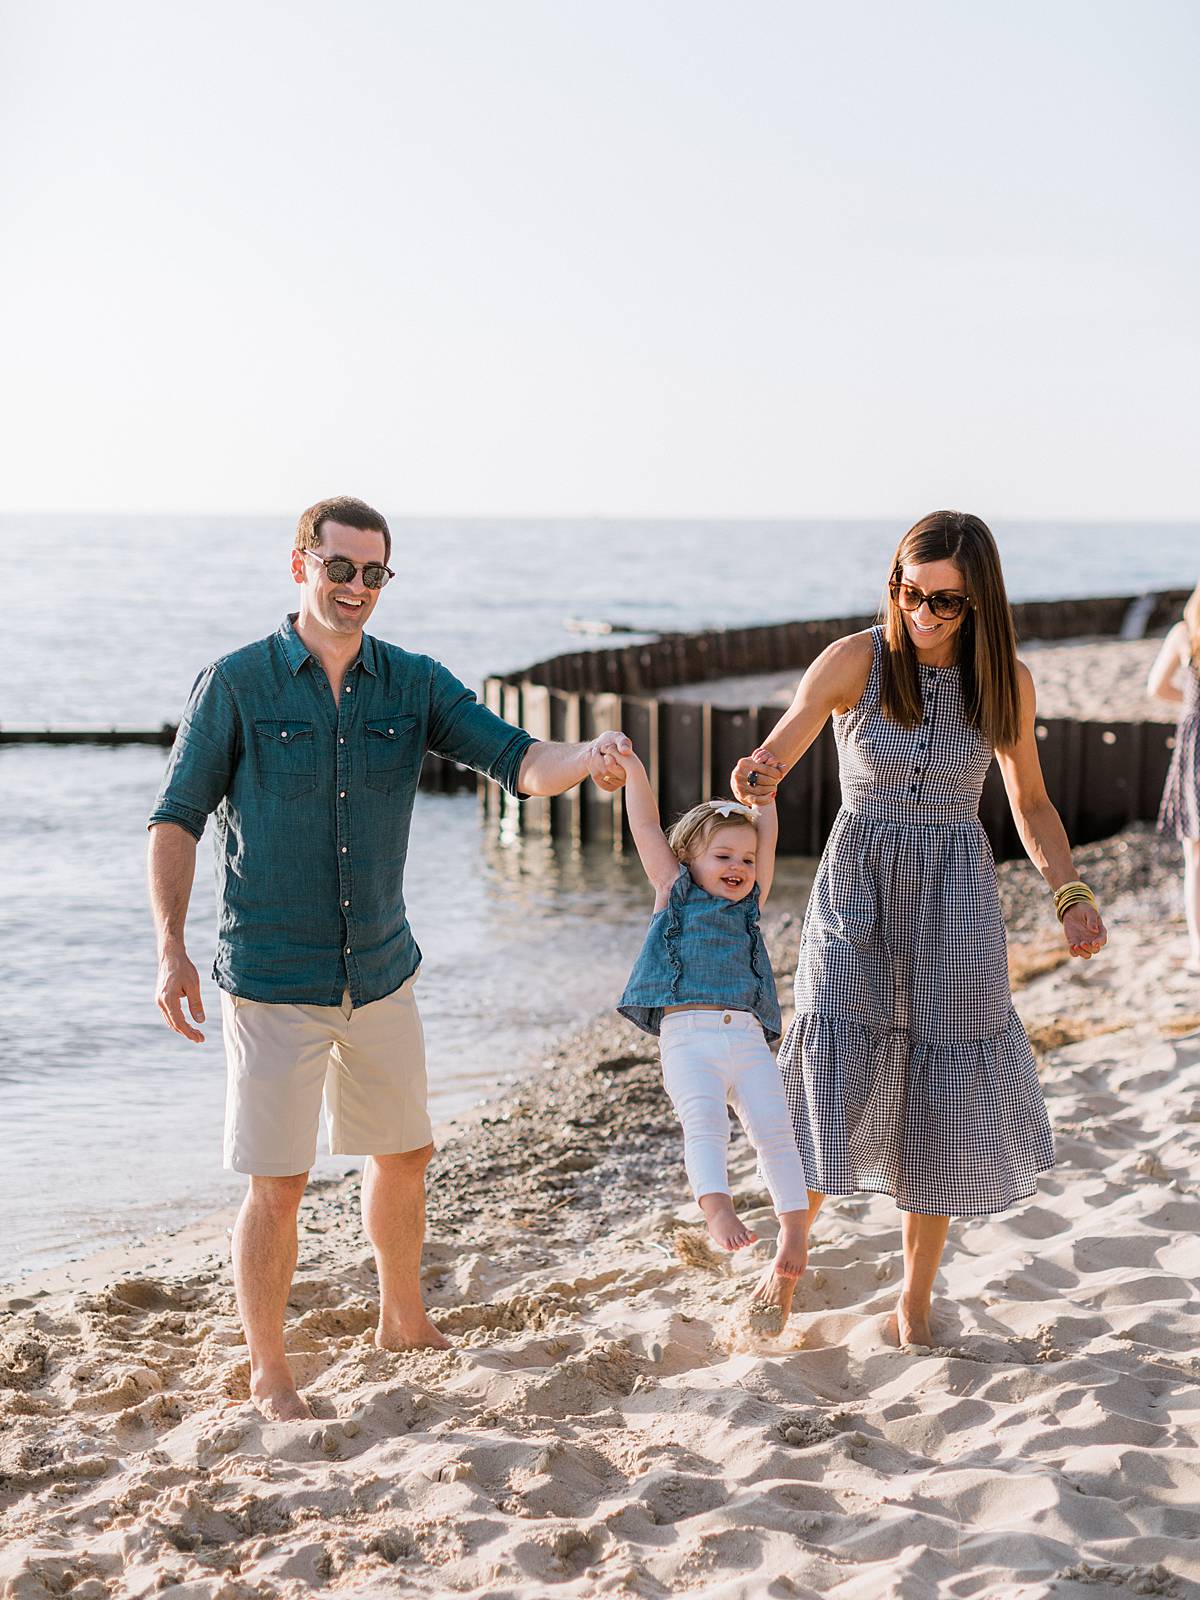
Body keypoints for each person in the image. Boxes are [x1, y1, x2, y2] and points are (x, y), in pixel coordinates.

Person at [147, 495, 631, 1421]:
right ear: (300, 565)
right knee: (278, 1182)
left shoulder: (412, 683)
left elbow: (518, 759)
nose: (358, 588)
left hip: (380, 969)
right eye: (340, 568)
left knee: (406, 1152)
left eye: (375, 573)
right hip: (272, 978)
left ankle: (403, 1322)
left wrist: (590, 756)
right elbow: (177, 817)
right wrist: (169, 949)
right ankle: (269, 1369)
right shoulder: (238, 682)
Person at [730, 510, 1107, 1346]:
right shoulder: (856, 660)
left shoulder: (1002, 681)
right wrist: (755, 775)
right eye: (910, 593)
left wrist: (1069, 892)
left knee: (940, 1087)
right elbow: (779, 750)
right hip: (854, 891)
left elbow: (1032, 803)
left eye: (946, 602)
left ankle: (915, 1298)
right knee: (832, 1072)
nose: (924, 614)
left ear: (983, 603)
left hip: (955, 898)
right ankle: (786, 1260)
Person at [615, 752, 809, 1331]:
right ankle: (717, 1208)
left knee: (776, 1130)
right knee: (705, 1123)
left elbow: (767, 842)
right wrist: (633, 771)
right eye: (723, 856)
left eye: (745, 859)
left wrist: (764, 804)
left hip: (747, 1039)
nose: (739, 867)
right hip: (688, 1039)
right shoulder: (674, 890)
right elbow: (646, 826)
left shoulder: (750, 903)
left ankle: (794, 1235)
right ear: (688, 859)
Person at [1148, 581, 1200, 975]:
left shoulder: (1185, 634)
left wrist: (1189, 703)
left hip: (1194, 741)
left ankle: (1198, 949)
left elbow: (1157, 687)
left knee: (1194, 855)